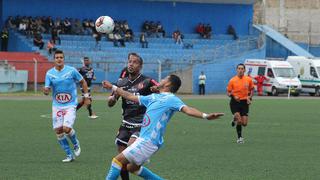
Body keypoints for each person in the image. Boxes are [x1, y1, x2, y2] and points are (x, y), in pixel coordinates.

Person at [103, 74, 224, 179]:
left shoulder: (171, 99)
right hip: (146, 140)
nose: (162, 79)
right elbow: (129, 96)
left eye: (165, 78)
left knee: (116, 161)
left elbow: (187, 110)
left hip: (148, 141)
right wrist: (113, 87)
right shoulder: (153, 97)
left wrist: (205, 116)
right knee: (131, 168)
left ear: (169, 83)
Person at [107, 52, 159, 180]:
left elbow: (162, 90)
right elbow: (111, 102)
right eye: (130, 61)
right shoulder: (121, 82)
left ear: (140, 66)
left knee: (130, 149)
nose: (131, 64)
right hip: (126, 123)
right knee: (122, 159)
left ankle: (142, 156)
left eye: (135, 62)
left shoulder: (147, 81)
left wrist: (157, 90)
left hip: (141, 124)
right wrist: (112, 99)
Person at [43, 50, 90, 162]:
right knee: (59, 131)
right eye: (57, 57)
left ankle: (75, 143)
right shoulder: (49, 73)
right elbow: (47, 89)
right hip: (57, 105)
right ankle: (69, 155)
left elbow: (83, 82)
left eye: (61, 57)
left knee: (66, 128)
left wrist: (86, 96)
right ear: (54, 59)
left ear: (64, 59)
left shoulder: (71, 71)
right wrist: (45, 91)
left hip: (70, 104)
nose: (59, 59)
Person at [227, 63, 254, 144]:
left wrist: (249, 98)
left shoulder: (248, 79)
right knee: (239, 121)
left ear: (244, 70)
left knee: (244, 123)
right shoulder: (232, 80)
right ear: (236, 70)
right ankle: (240, 138)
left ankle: (234, 119)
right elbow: (228, 92)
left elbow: (252, 90)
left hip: (244, 103)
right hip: (235, 102)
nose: (240, 70)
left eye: (242, 68)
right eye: (239, 68)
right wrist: (233, 96)